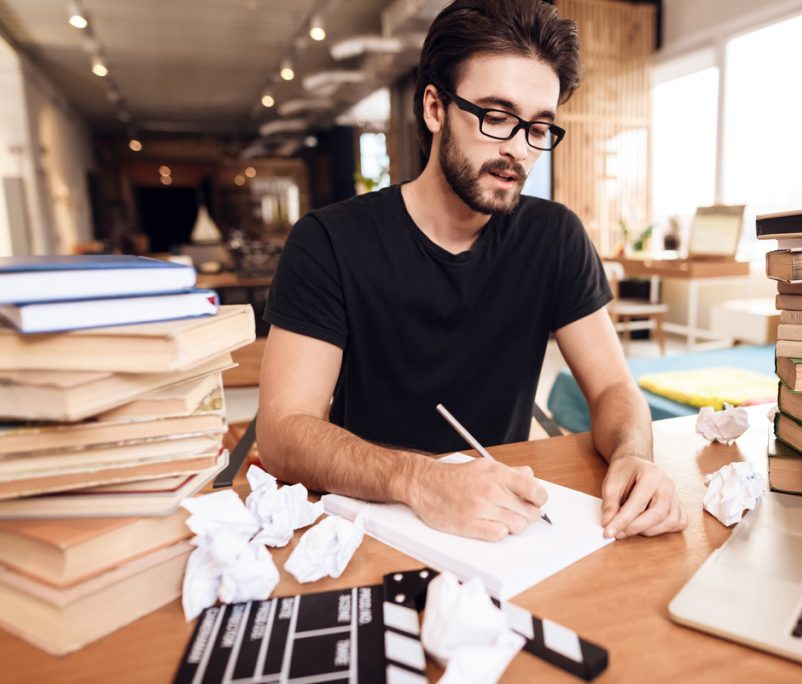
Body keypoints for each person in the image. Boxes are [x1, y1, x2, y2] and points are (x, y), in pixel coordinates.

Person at [257, 0, 686, 542]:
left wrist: (634, 456)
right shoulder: (329, 241)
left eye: (538, 127)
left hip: (503, 524)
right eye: (497, 117)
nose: (518, 151)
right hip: (370, 519)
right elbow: (283, 431)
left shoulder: (553, 237)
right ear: (435, 108)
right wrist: (422, 480)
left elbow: (612, 390)